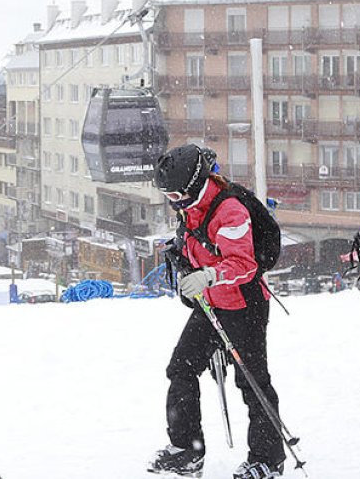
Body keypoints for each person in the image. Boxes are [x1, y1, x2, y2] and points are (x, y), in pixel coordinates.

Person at [149, 144, 285, 479]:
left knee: (251, 381)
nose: (173, 200)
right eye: (168, 195)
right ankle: (186, 450)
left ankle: (268, 458)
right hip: (211, 303)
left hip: (244, 304)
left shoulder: (230, 209)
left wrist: (209, 274)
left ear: (194, 185)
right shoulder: (191, 206)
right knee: (181, 368)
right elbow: (197, 241)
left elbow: (244, 263)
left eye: (177, 193)